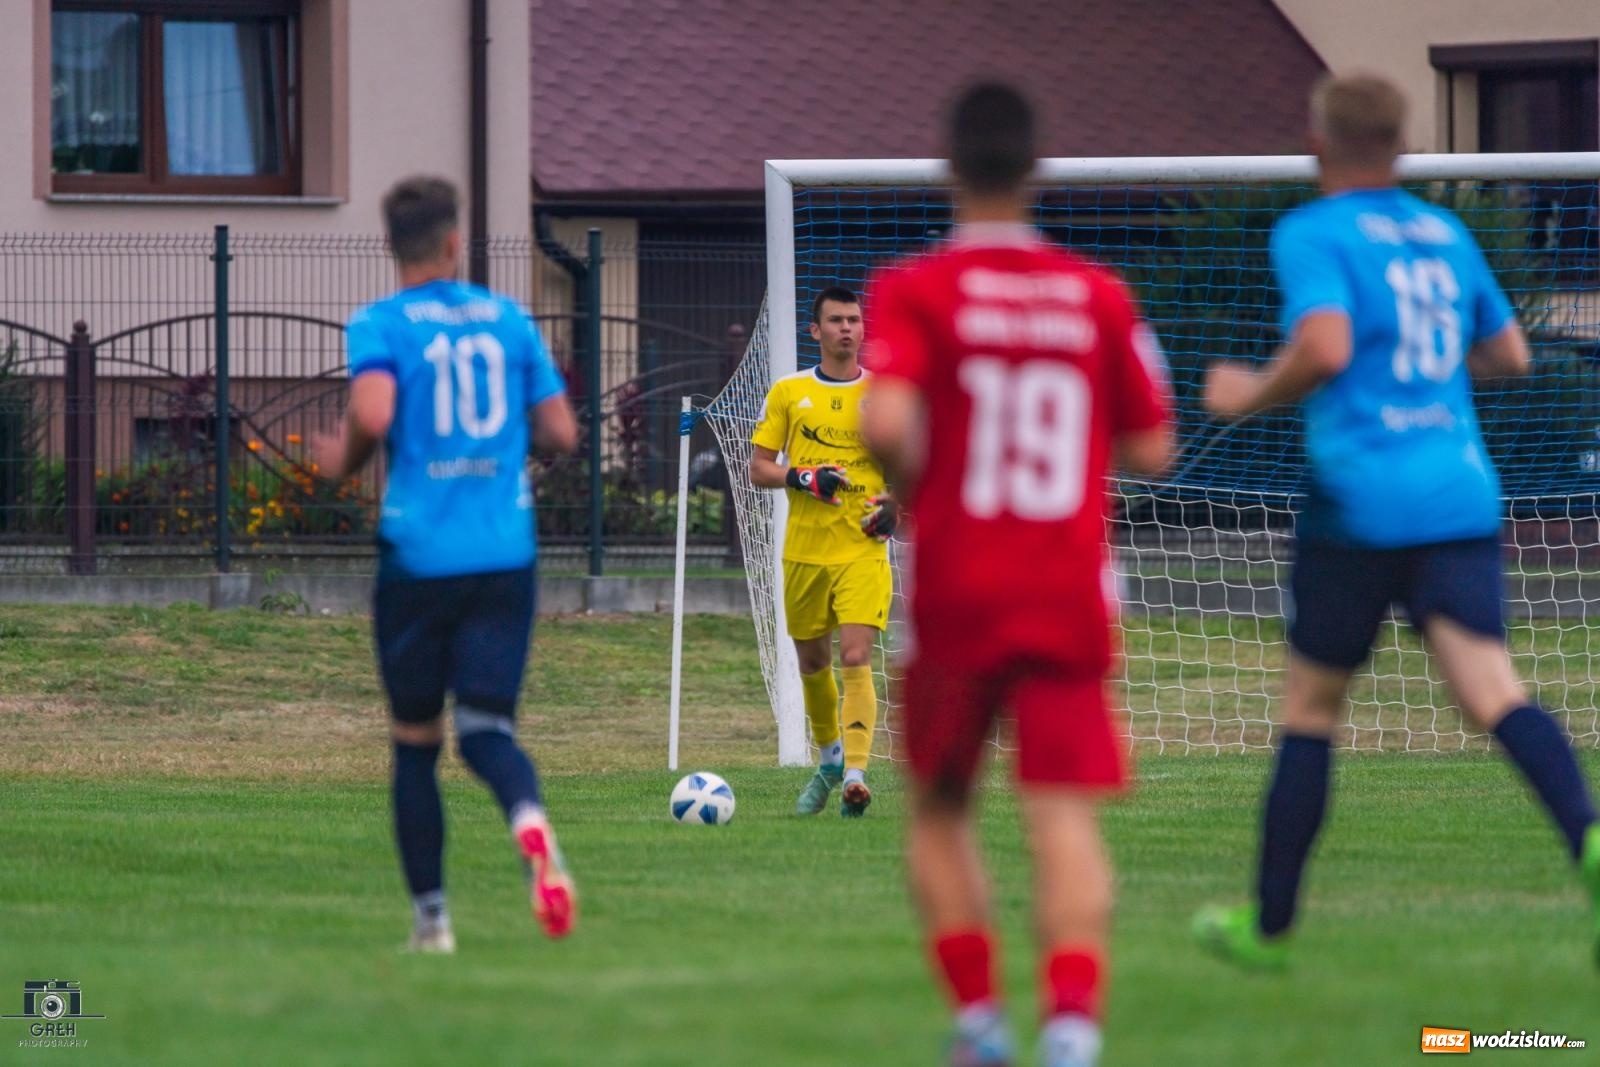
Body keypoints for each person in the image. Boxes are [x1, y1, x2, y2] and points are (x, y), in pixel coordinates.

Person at [1193, 73, 1600, 971]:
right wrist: (1428, 386)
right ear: (1401, 142)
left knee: (1311, 707)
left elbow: (1328, 344)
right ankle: (1590, 839)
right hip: (1458, 490)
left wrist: (1248, 394)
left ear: (1319, 140)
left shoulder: (1313, 230)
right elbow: (1510, 354)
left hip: (1361, 502)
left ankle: (1267, 929)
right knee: (1494, 692)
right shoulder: (1443, 232)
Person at [861, 83, 1173, 1067]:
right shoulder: (1097, 292)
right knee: (1060, 810)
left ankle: (982, 1022)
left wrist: (924, 480)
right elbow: (1154, 442)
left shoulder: (914, 287)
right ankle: (1073, 1026)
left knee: (943, 806)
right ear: (1036, 169)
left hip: (960, 581)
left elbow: (882, 424)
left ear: (948, 167)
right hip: (1065, 581)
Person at [313, 176, 580, 952]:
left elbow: (373, 413)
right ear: (456, 241)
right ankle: (530, 823)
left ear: (390, 246)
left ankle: (432, 921)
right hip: (505, 552)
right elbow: (561, 432)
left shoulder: (382, 322)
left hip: (421, 554)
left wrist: (345, 461)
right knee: (488, 727)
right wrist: (494, 452)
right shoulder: (509, 320)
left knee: (416, 740)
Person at [750, 286, 897, 817]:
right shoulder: (789, 393)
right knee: (812, 664)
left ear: (863, 329)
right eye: (835, 320)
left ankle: (856, 774)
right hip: (805, 553)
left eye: (854, 320)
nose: (845, 329)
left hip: (863, 548)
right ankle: (831, 760)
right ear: (815, 331)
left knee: (856, 656)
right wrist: (802, 476)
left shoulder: (886, 394)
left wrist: (897, 507)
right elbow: (759, 466)